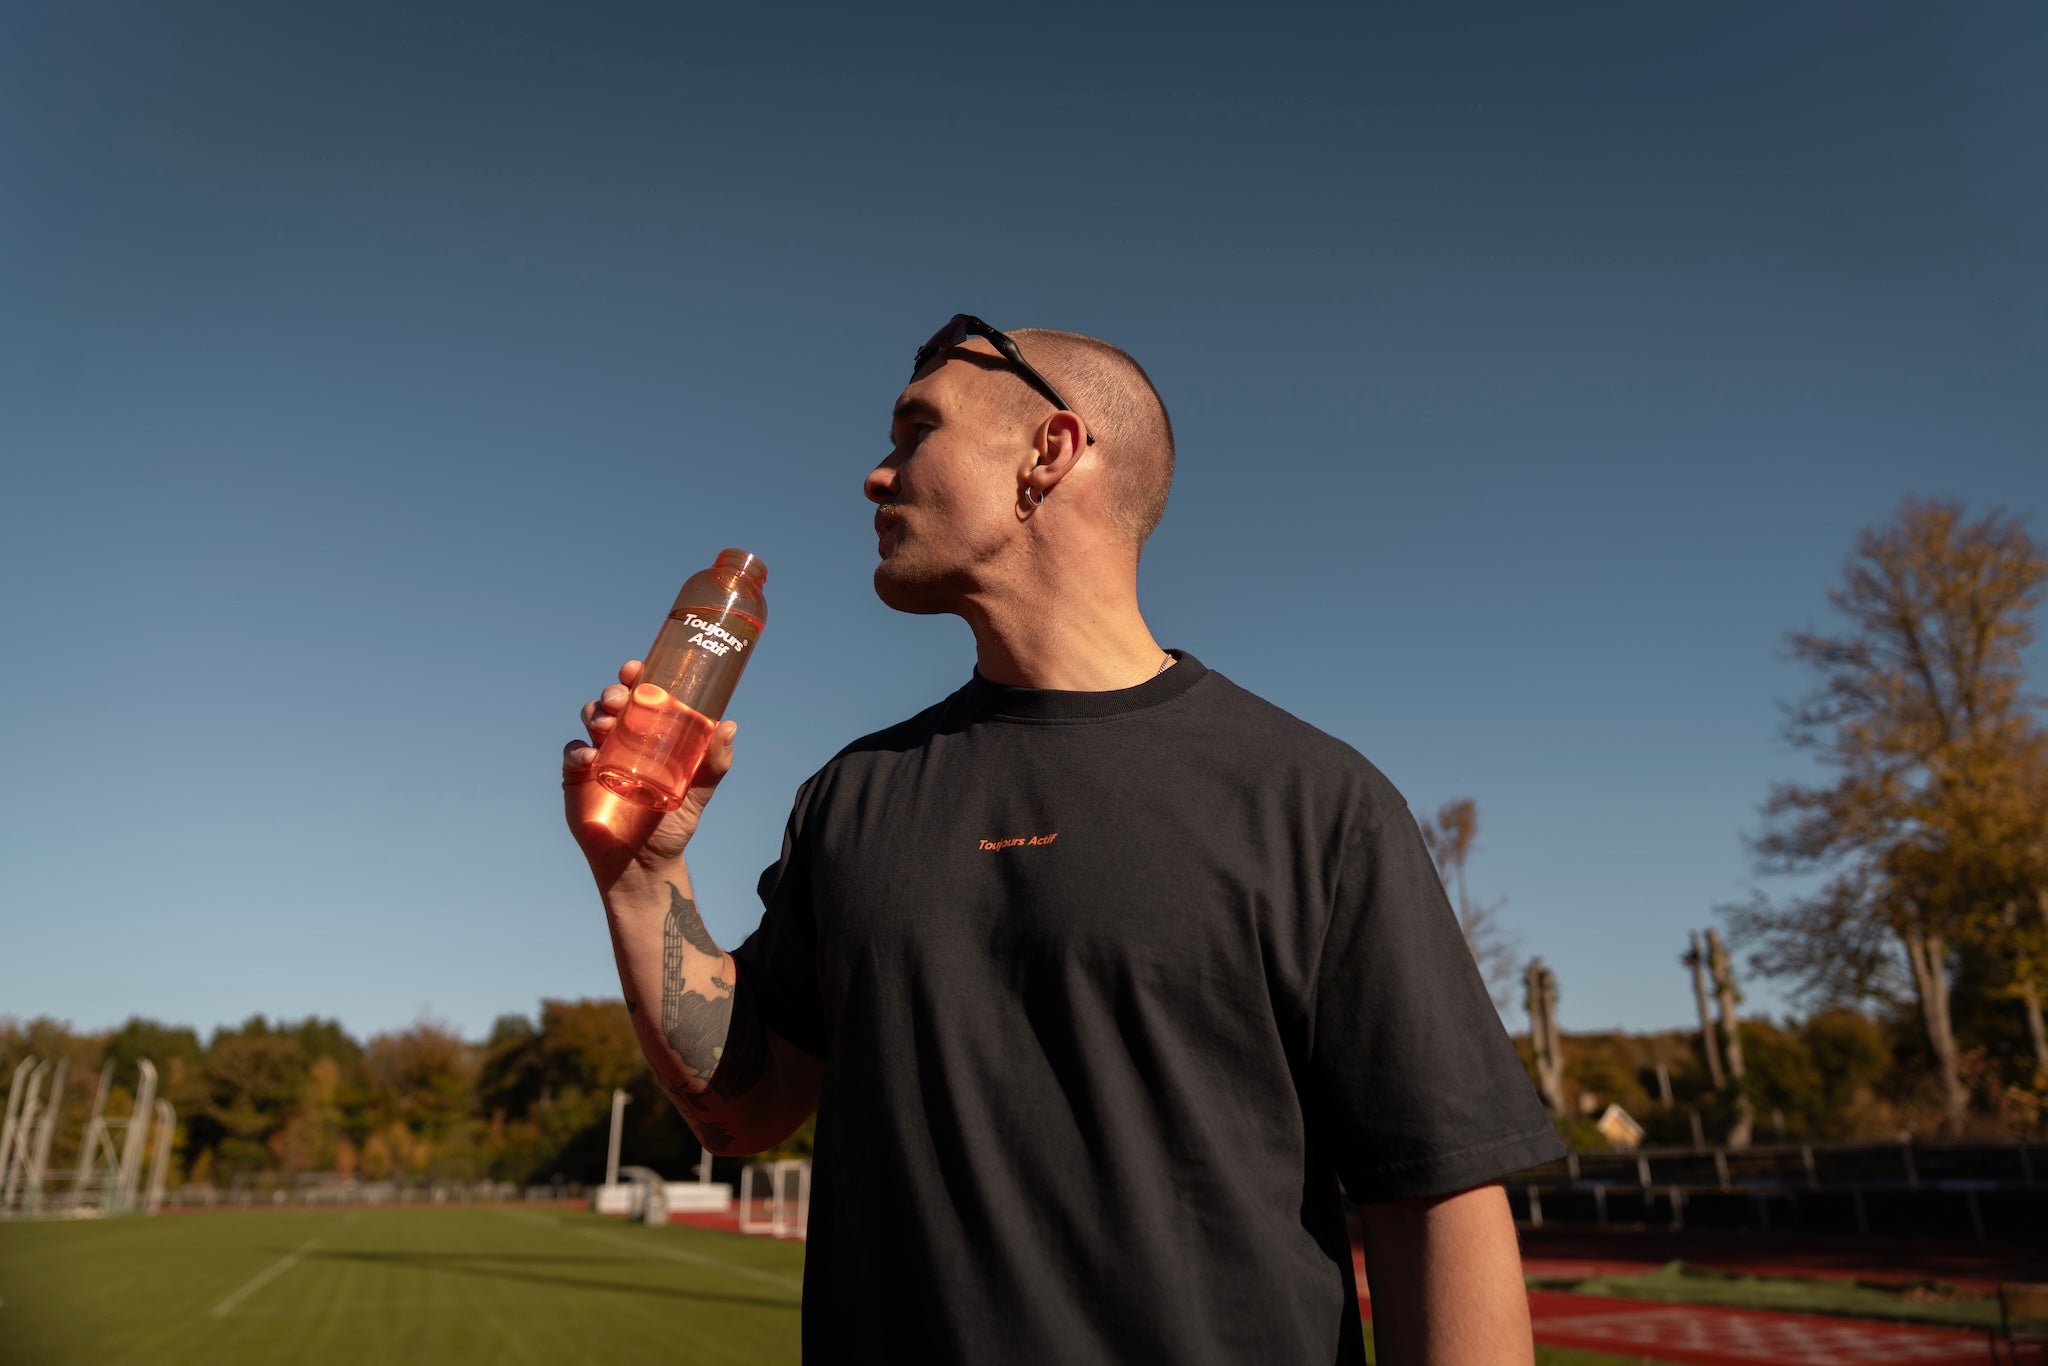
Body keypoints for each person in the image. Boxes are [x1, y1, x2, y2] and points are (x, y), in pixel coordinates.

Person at [563, 314, 1564, 1365]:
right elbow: (745, 1110)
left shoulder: (1311, 801)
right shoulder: (851, 797)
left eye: (916, 431)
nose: (875, 474)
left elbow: (1437, 1198)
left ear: (1049, 451)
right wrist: (642, 880)